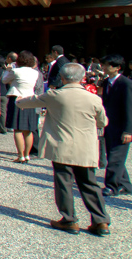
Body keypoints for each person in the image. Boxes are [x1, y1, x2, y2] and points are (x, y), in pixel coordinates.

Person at [18, 62, 110, 236]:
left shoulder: (55, 95)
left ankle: (69, 219)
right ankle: (101, 221)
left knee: (64, 183)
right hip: (86, 148)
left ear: (62, 78)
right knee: (90, 184)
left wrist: (18, 100)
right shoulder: (94, 98)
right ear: (83, 78)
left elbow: (28, 103)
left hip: (62, 146)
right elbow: (103, 122)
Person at [99, 54, 132, 197]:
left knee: (115, 157)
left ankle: (111, 186)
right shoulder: (106, 82)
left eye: (108, 65)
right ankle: (125, 184)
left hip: (122, 126)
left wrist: (128, 130)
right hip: (110, 125)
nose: (104, 67)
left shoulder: (126, 83)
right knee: (114, 155)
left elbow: (129, 108)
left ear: (118, 68)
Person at [2, 50, 40, 163]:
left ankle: (20, 155)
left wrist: (7, 70)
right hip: (30, 99)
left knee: (17, 129)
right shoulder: (35, 72)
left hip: (17, 98)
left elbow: (4, 80)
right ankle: (27, 154)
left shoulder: (16, 71)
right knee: (28, 130)